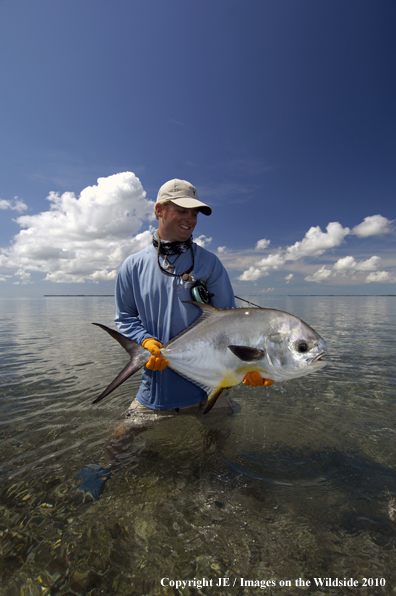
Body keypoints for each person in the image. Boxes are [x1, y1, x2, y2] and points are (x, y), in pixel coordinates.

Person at [114, 178, 237, 414]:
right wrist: (144, 341)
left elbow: (230, 324)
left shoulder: (210, 263)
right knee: (117, 447)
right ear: (160, 210)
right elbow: (125, 318)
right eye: (182, 211)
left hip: (212, 391)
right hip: (156, 392)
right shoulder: (132, 266)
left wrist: (253, 366)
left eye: (194, 214)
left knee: (221, 450)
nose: (190, 220)